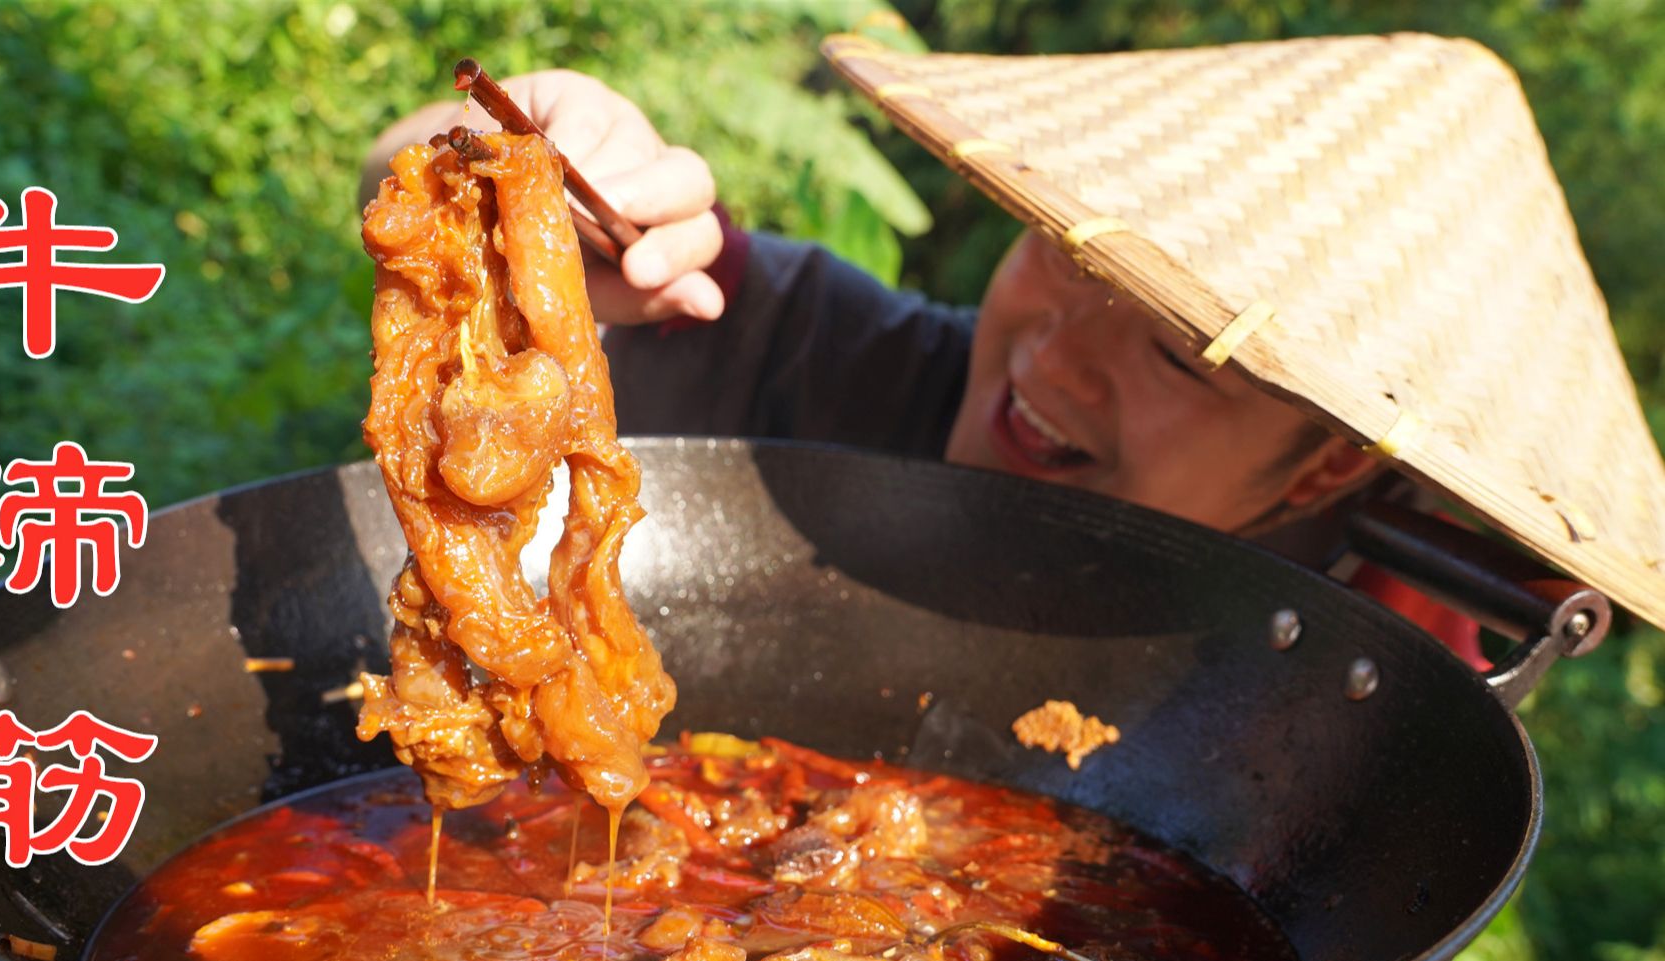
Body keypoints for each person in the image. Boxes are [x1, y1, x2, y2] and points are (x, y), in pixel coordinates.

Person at [362, 69, 1482, 664]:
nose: (1059, 355)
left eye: (1179, 355)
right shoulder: (836, 357)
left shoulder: (1372, 628)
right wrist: (490, 169)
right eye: (1064, 250)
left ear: (1325, 469)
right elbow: (394, 172)